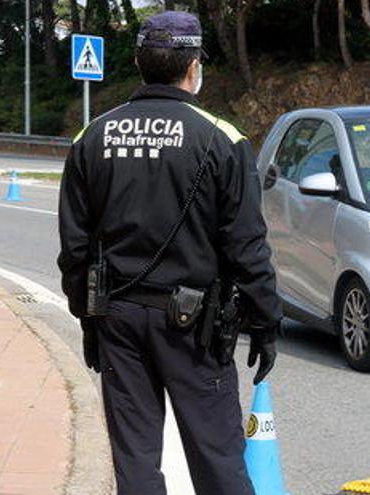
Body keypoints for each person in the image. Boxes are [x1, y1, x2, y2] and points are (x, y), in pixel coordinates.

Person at [57, 12, 281, 495]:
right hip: (195, 327)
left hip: (116, 317)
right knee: (218, 459)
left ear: (140, 63)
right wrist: (265, 323)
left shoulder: (93, 136)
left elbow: (74, 248)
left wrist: (88, 317)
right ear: (194, 66)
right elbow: (246, 247)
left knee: (135, 461)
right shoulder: (222, 137)